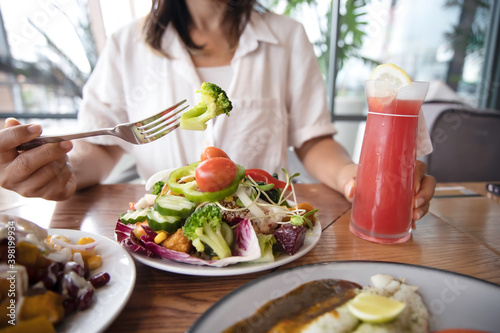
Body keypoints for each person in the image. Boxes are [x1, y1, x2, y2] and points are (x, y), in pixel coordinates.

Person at [0, 0, 435, 222]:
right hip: (164, 235)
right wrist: (62, 169)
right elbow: (102, 148)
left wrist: (353, 178)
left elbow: (313, 138)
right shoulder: (125, 45)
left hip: (266, 228)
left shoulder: (287, 37)